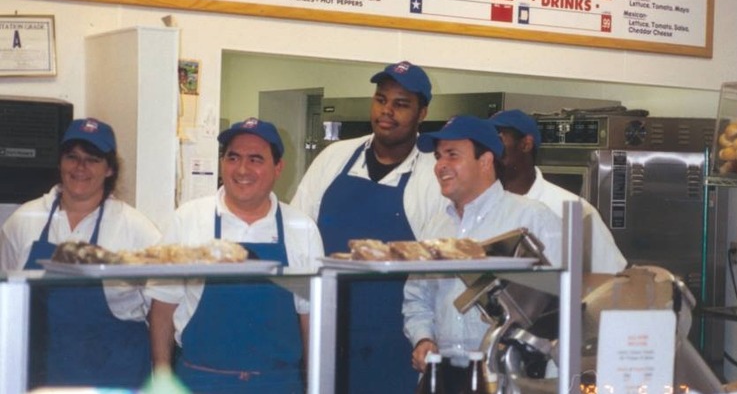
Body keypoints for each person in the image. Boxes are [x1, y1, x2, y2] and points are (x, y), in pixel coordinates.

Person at [291, 60, 447, 393]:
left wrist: (427, 336)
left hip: (398, 344)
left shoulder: (433, 175)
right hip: (326, 335)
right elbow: (297, 237)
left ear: (422, 113)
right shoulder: (334, 158)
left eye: (401, 104)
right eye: (381, 99)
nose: (387, 111)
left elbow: (440, 270)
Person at [145, 117, 324, 393]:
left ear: (278, 167)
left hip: (278, 384)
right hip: (200, 382)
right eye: (233, 157)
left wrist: (316, 386)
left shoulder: (301, 229)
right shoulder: (188, 220)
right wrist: (162, 377)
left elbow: (310, 320)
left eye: (255, 159)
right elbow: (163, 307)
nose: (242, 169)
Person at [0, 117, 161, 388]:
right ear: (60, 162)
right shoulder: (24, 220)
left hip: (115, 375)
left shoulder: (137, 229)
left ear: (110, 169)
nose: (80, 167)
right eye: (72, 157)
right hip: (42, 375)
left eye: (93, 159)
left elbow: (159, 306)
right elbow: (8, 300)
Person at [402, 115, 563, 378]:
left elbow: (558, 311)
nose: (440, 166)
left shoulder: (532, 218)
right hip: (442, 376)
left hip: (506, 377)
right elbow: (417, 297)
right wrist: (423, 339)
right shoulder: (435, 226)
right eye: (439, 156)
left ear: (486, 161)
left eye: (452, 155)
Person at [488, 109, 627, 274]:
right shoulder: (478, 206)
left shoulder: (573, 210)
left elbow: (611, 278)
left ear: (526, 144)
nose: (489, 148)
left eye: (498, 138)